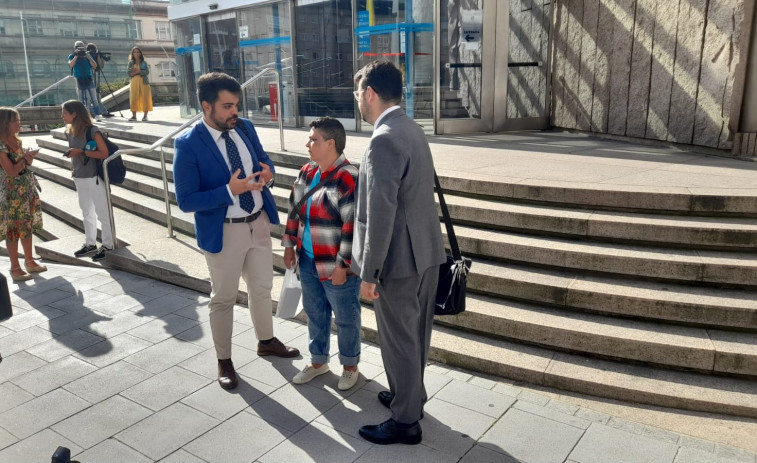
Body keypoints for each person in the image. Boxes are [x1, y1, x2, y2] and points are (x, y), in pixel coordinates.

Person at [173, 72, 299, 391]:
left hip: (257, 221)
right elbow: (186, 200)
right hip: (224, 230)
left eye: (237, 105)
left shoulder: (244, 127)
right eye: (227, 106)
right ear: (206, 105)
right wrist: (229, 191)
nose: (235, 112)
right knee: (224, 297)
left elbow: (263, 159)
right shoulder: (187, 144)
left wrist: (268, 172)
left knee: (261, 287)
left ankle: (266, 340)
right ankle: (224, 360)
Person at [351, 61, 445, 445]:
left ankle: (406, 421)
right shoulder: (410, 127)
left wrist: (369, 273)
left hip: (399, 261)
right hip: (425, 251)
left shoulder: (383, 138)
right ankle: (411, 394)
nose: (358, 99)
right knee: (416, 334)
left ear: (370, 93)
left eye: (358, 92)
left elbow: (381, 212)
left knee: (400, 339)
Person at [282, 117, 361, 391]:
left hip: (335, 264)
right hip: (307, 260)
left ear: (331, 144)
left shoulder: (348, 177)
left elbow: (352, 227)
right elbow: (294, 209)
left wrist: (343, 265)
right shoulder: (306, 171)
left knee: (346, 316)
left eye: (313, 139)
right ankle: (318, 362)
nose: (308, 144)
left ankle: (350, 366)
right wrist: (289, 245)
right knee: (315, 313)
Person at [61, 100, 113, 262]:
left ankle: (108, 245)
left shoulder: (92, 131)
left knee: (102, 213)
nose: (62, 116)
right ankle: (90, 243)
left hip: (94, 177)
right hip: (80, 176)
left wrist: (81, 152)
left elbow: (104, 153)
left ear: (74, 113)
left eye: (64, 113)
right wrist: (73, 166)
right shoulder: (69, 131)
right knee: (86, 212)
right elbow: (74, 153)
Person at [0, 107, 46, 282]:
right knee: (12, 230)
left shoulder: (16, 141)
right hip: (11, 193)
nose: (19, 123)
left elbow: (22, 166)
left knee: (26, 227)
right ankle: (14, 267)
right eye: (15, 120)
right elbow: (11, 172)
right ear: (5, 123)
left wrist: (28, 159)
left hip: (25, 189)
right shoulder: (1, 144)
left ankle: (30, 261)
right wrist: (26, 159)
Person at [68, 41, 103, 120]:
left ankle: (97, 115)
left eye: (81, 47)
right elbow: (70, 65)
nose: (80, 48)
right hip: (79, 79)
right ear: (74, 48)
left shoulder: (87, 55)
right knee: (81, 100)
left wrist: (87, 55)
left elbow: (94, 65)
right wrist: (76, 56)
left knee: (94, 98)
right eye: (78, 47)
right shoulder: (72, 56)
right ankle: (83, 116)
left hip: (88, 78)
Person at [86, 43, 113, 118]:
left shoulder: (92, 54)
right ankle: (101, 112)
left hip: (94, 73)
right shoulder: (86, 55)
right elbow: (107, 59)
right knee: (93, 96)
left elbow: (107, 59)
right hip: (90, 75)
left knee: (95, 95)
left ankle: (101, 111)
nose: (92, 51)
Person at [127, 47, 153, 122]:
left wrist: (138, 72)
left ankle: (145, 116)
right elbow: (129, 73)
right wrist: (137, 71)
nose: (136, 54)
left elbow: (146, 72)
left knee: (145, 97)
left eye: (138, 52)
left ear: (140, 53)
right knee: (133, 98)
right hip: (134, 82)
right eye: (134, 52)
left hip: (144, 82)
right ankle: (134, 116)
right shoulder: (131, 63)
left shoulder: (143, 62)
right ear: (132, 54)